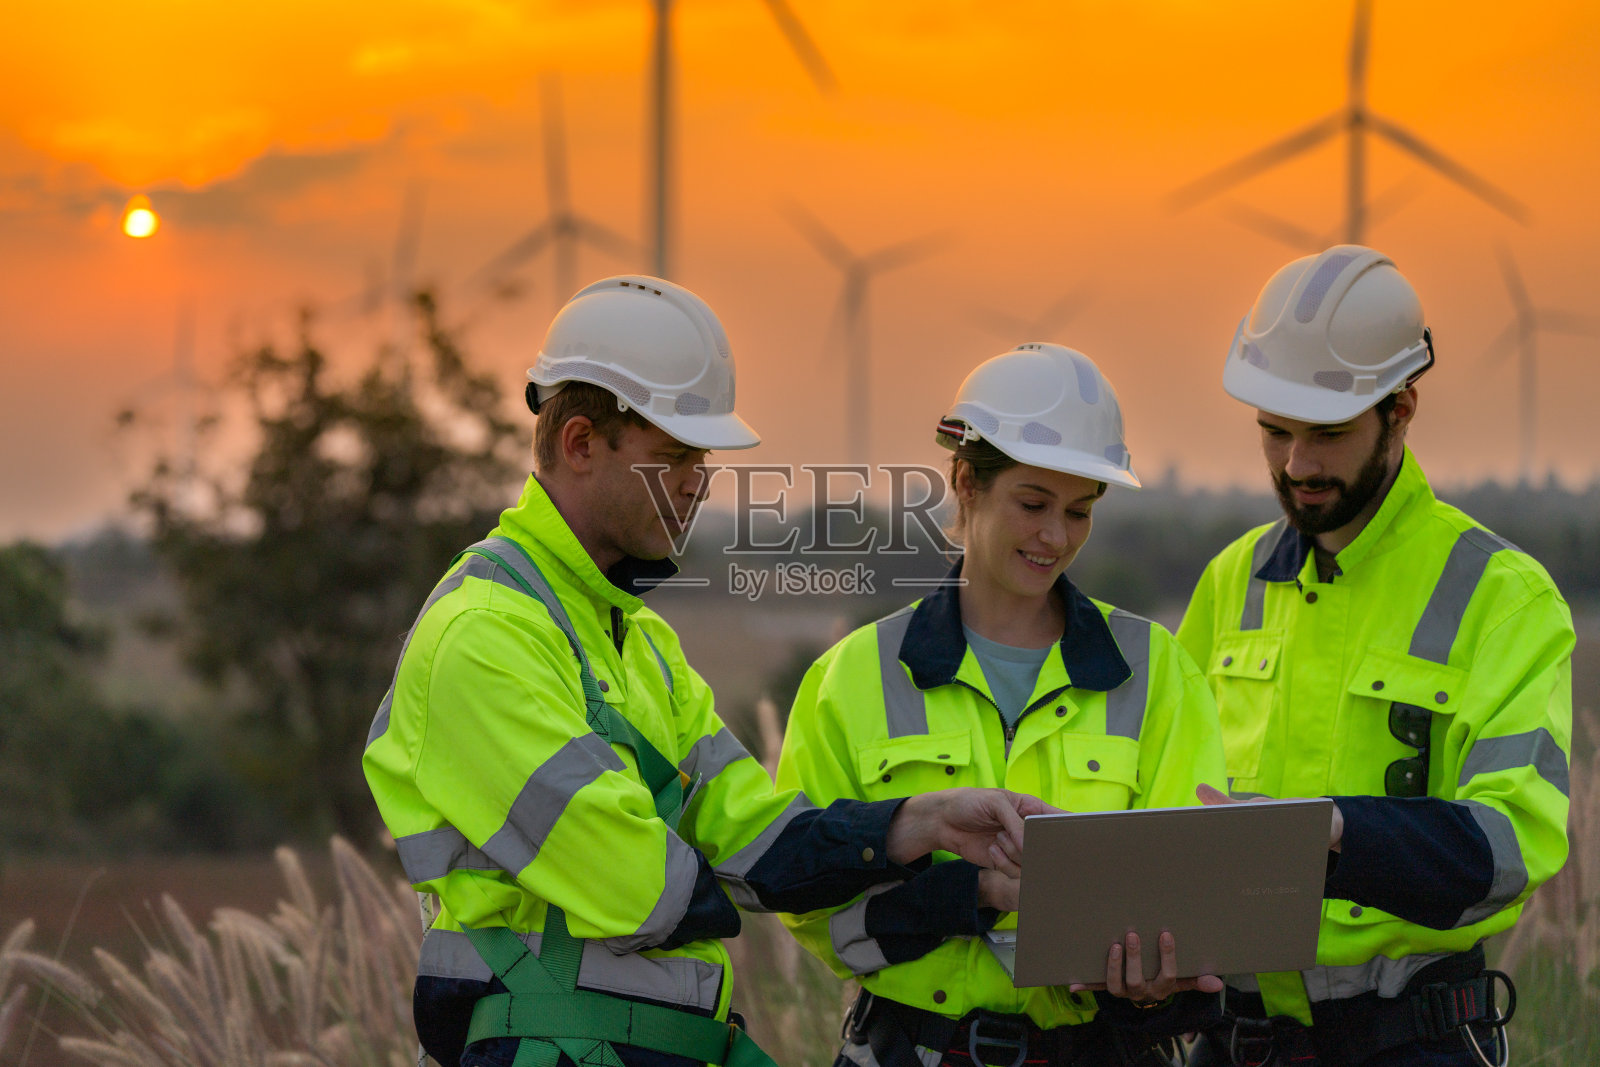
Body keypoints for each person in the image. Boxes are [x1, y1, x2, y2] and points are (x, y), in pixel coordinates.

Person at [362, 275, 1046, 1067]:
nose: (699, 481)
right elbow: (641, 887)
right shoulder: (483, 638)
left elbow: (757, 833)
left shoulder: (640, 641)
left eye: (704, 458)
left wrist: (916, 825)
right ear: (582, 443)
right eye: (675, 455)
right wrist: (772, 884)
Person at [775, 342, 1230, 1067]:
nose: (1056, 535)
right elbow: (809, 905)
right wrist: (976, 895)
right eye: (1033, 503)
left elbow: (1191, 893)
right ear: (966, 481)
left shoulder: (1158, 672)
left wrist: (1153, 988)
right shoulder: (853, 676)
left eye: (1080, 511)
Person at [1176, 246, 1574, 1067]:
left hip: (1409, 1040)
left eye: (1327, 434)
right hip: (1233, 1040)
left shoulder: (1503, 596)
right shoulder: (1229, 582)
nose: (1297, 465)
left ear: (1402, 409)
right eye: (1274, 432)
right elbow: (1162, 799)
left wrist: (1334, 834)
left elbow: (1510, 845)